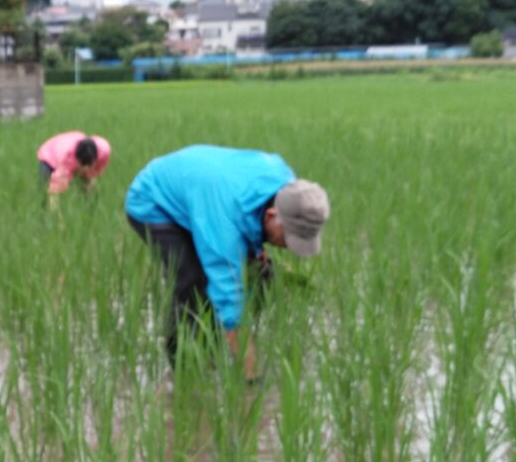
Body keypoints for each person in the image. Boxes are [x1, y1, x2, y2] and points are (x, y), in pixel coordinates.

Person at [125, 145, 330, 378]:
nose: (287, 246)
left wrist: (255, 250)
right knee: (192, 282)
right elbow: (229, 293)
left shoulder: (289, 186)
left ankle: (215, 340)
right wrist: (251, 378)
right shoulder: (224, 226)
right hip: (154, 202)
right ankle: (184, 366)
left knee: (259, 272)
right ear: (272, 216)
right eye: (288, 238)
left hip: (204, 193)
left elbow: (249, 220)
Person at [37, 131, 111, 207]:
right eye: (83, 165)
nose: (86, 168)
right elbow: (55, 190)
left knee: (89, 185)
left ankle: (88, 207)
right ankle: (44, 212)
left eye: (89, 165)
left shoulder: (103, 151)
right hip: (49, 155)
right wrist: (55, 214)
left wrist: (89, 178)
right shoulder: (67, 159)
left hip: (71, 144)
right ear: (77, 159)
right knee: (45, 189)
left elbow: (94, 173)